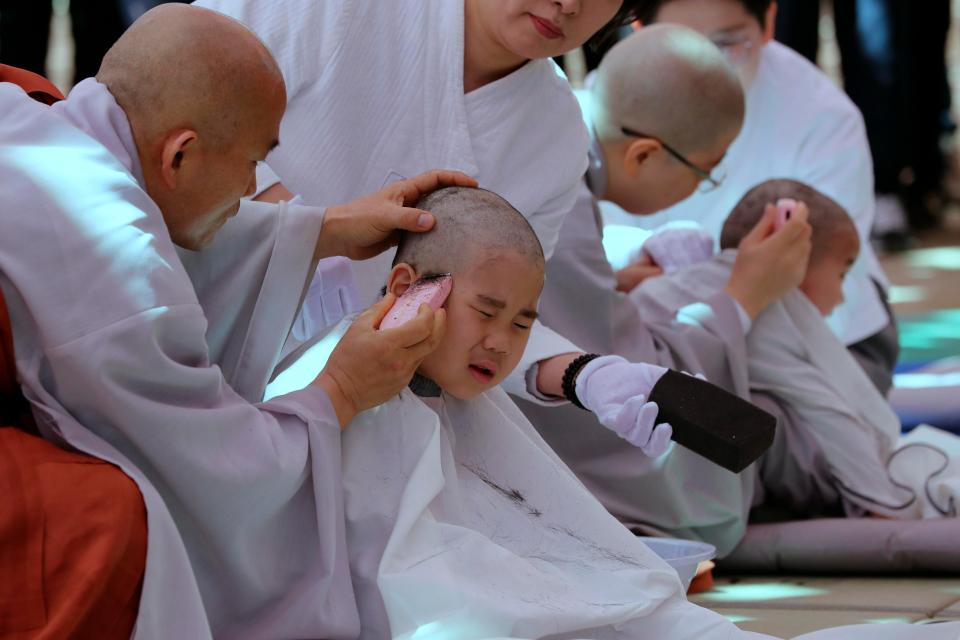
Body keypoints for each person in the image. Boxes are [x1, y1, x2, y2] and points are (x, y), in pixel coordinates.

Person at [0, 5, 474, 638]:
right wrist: (342, 391)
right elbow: (206, 468)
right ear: (181, 154)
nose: (254, 186)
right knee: (103, 523)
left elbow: (148, 213)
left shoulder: (32, 117)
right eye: (253, 163)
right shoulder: (117, 265)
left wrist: (322, 230)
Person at [337, 186, 957, 640]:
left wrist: (591, 376)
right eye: (487, 313)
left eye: (523, 322)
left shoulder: (465, 386)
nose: (502, 341)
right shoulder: (340, 381)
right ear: (405, 288)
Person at [195, 0, 682, 448]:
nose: (569, 4)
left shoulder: (557, 135)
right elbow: (155, 99)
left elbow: (492, 317)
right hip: (174, 337)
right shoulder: (330, 9)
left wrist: (582, 376)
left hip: (338, 424)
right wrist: (305, 233)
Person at [514, 25, 811, 556]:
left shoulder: (546, 126)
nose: (703, 186)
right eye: (707, 171)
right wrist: (743, 295)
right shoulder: (566, 199)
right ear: (644, 155)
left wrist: (617, 284)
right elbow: (622, 372)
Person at [608, 0, 898, 397]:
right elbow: (594, 245)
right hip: (662, 340)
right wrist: (630, 258)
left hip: (822, 339)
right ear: (640, 28)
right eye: (684, 43)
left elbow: (820, 274)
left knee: (787, 443)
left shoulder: (823, 116)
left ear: (768, 23)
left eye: (728, 43)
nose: (707, 65)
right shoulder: (608, 103)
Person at [636, 179, 960, 522]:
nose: (841, 296)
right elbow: (828, 410)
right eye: (842, 273)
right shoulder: (766, 305)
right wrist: (881, 502)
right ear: (796, 259)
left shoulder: (672, 282)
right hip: (706, 485)